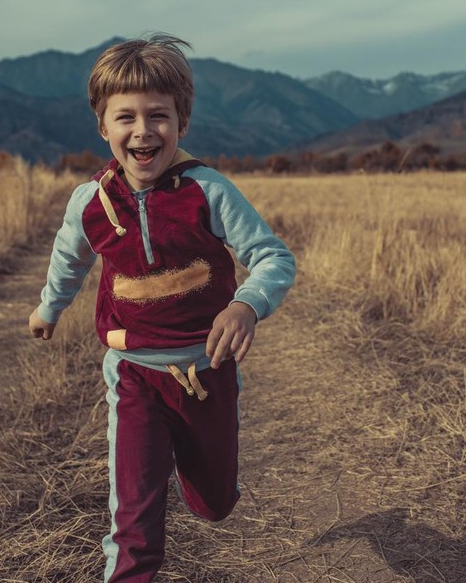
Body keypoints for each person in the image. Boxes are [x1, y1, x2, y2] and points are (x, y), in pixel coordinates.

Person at [27, 34, 296, 582]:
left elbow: (273, 257)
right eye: (125, 117)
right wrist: (48, 309)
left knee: (214, 502)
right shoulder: (91, 203)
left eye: (159, 116)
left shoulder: (208, 191)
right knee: (133, 520)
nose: (143, 130)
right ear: (103, 127)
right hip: (133, 374)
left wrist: (246, 304)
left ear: (182, 122)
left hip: (207, 372)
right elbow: (68, 262)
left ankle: (207, 479)